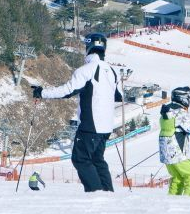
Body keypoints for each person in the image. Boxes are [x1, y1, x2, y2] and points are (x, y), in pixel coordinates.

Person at [31, 33, 122, 193]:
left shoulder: (86, 70)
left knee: (80, 159)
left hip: (90, 124)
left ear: (88, 48)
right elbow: (119, 96)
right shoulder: (113, 72)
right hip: (106, 126)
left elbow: (67, 91)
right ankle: (108, 193)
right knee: (97, 159)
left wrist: (42, 93)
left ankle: (96, 194)